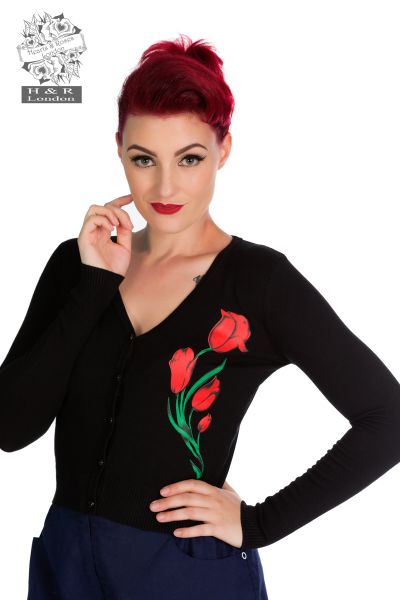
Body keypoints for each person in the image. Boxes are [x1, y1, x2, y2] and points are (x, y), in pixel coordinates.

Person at [1, 33, 400, 599]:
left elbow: (388, 417)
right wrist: (94, 286)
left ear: (223, 149)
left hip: (185, 574)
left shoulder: (259, 282)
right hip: (65, 567)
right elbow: (11, 429)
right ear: (119, 149)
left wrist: (258, 523)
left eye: (190, 158)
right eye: (143, 159)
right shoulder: (78, 266)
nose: (165, 186)